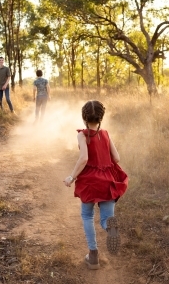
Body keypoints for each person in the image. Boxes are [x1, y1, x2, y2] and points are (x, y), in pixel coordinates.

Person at [63, 100, 128, 270]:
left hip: (90, 182)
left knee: (87, 215)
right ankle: (109, 228)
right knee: (106, 218)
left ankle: (93, 255)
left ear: (84, 117)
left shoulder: (82, 135)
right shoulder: (106, 133)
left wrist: (71, 177)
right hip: (107, 180)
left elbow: (84, 158)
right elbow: (117, 158)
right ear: (101, 117)